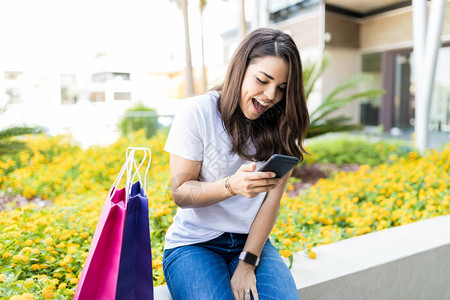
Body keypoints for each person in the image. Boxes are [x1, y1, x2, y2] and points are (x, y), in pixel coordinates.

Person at [162, 27, 309, 300]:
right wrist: (231, 186)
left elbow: (270, 203)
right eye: (262, 80)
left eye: (281, 88)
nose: (270, 95)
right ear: (240, 68)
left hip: (251, 243)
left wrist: (247, 263)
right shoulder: (197, 112)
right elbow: (181, 192)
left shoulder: (283, 123)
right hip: (195, 244)